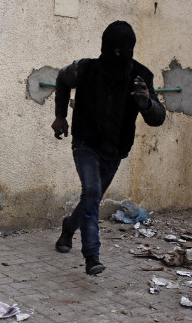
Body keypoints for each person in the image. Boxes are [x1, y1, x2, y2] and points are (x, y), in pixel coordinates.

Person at [52, 21, 166, 275]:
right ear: (105, 47)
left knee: (91, 199)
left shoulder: (141, 76)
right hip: (85, 143)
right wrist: (61, 116)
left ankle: (69, 227)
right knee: (92, 192)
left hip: (116, 149)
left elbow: (158, 117)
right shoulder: (85, 69)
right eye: (114, 49)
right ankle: (92, 255)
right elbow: (61, 78)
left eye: (122, 50)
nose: (118, 55)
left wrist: (146, 103)